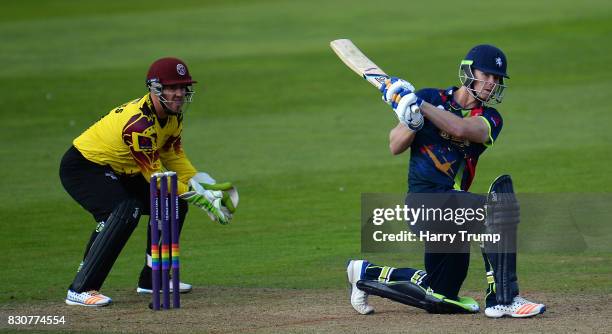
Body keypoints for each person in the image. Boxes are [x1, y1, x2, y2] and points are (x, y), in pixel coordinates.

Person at [347, 45, 546, 318]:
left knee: (441, 295)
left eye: (497, 78)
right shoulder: (429, 96)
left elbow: (460, 129)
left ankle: (365, 272)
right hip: (424, 204)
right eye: (486, 75)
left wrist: (419, 105)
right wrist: (411, 122)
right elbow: (395, 145)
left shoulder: (490, 118)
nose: (491, 83)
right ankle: (504, 298)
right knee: (495, 211)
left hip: (454, 214)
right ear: (468, 72)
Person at [59, 57, 238, 307]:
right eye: (171, 87)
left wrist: (199, 181)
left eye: (182, 87)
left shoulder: (173, 116)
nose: (178, 94)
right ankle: (81, 289)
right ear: (155, 88)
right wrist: (200, 198)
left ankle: (153, 280)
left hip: (123, 169)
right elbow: (155, 178)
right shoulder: (139, 124)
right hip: (85, 167)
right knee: (124, 210)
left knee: (173, 203)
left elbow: (173, 155)